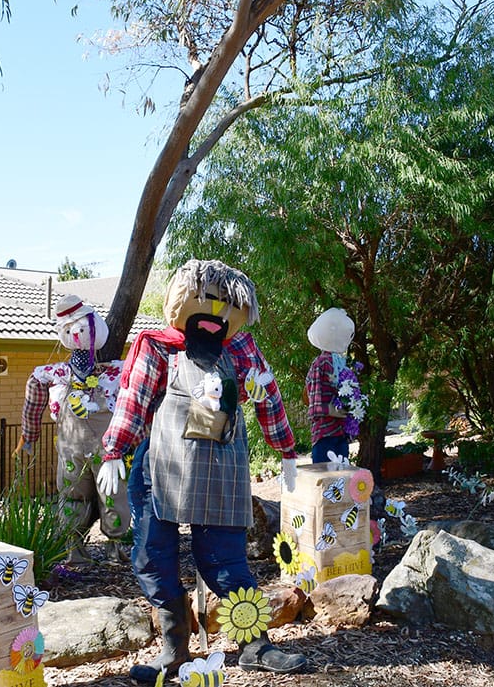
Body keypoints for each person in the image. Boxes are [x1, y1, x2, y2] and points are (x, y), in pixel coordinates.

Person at [99, 259, 308, 685]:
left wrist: (286, 450)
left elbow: (268, 396)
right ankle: (174, 650)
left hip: (221, 470)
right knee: (152, 558)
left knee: (225, 562)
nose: (215, 314)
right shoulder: (157, 346)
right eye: (207, 301)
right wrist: (113, 452)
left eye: (227, 306)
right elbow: (134, 402)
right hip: (161, 473)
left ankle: (255, 646)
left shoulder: (243, 351)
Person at [18, 294, 130, 564]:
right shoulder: (58, 374)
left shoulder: (117, 372)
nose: (77, 332)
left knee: (114, 495)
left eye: (81, 326)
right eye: (69, 329)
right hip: (71, 450)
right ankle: (73, 551)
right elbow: (34, 385)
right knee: (71, 496)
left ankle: (117, 548)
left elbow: (140, 391)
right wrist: (29, 434)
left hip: (109, 451)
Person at [305, 308, 355, 464]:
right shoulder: (342, 365)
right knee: (340, 482)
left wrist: (338, 410)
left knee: (327, 483)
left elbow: (314, 404)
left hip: (325, 432)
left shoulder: (320, 364)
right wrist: (343, 411)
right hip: (338, 432)